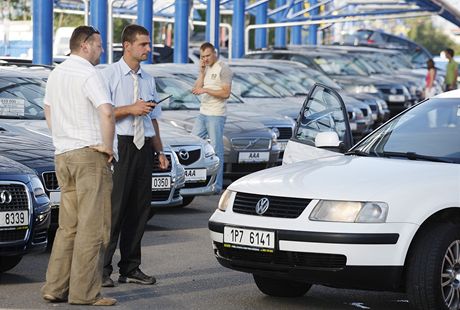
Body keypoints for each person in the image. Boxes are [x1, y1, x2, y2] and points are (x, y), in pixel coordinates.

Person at [41, 26, 116, 306]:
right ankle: (85, 293)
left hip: (64, 154)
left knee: (68, 226)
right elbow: (107, 111)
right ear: (85, 45)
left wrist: (62, 136)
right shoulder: (89, 73)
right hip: (89, 155)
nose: (102, 50)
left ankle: (54, 287)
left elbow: (48, 109)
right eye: (99, 45)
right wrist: (107, 146)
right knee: (93, 228)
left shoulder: (56, 73)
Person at [100, 24, 169, 287]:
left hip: (144, 147)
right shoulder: (110, 75)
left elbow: (154, 118)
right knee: (115, 211)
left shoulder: (148, 79)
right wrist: (131, 108)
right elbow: (103, 113)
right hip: (120, 145)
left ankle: (130, 268)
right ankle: (102, 269)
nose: (148, 49)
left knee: (140, 210)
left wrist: (160, 151)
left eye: (148, 44)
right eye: (143, 44)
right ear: (127, 46)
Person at [191, 42, 232, 193]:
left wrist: (206, 90)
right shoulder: (205, 68)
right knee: (194, 142)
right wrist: (201, 73)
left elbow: (226, 93)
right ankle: (194, 180)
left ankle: (217, 186)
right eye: (202, 57)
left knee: (216, 150)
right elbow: (195, 89)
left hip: (216, 114)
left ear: (214, 53)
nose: (205, 59)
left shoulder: (223, 68)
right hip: (203, 113)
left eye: (208, 56)